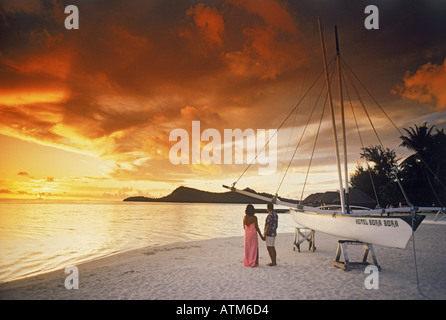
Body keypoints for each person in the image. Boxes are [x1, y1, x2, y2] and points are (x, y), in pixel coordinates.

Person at [264, 202, 278, 266]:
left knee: (269, 247)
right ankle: (274, 261)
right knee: (272, 247)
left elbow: (268, 226)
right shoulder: (275, 214)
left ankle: (273, 262)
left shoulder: (270, 215)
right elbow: (276, 225)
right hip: (274, 233)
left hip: (269, 233)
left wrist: (265, 234)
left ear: (268, 208)